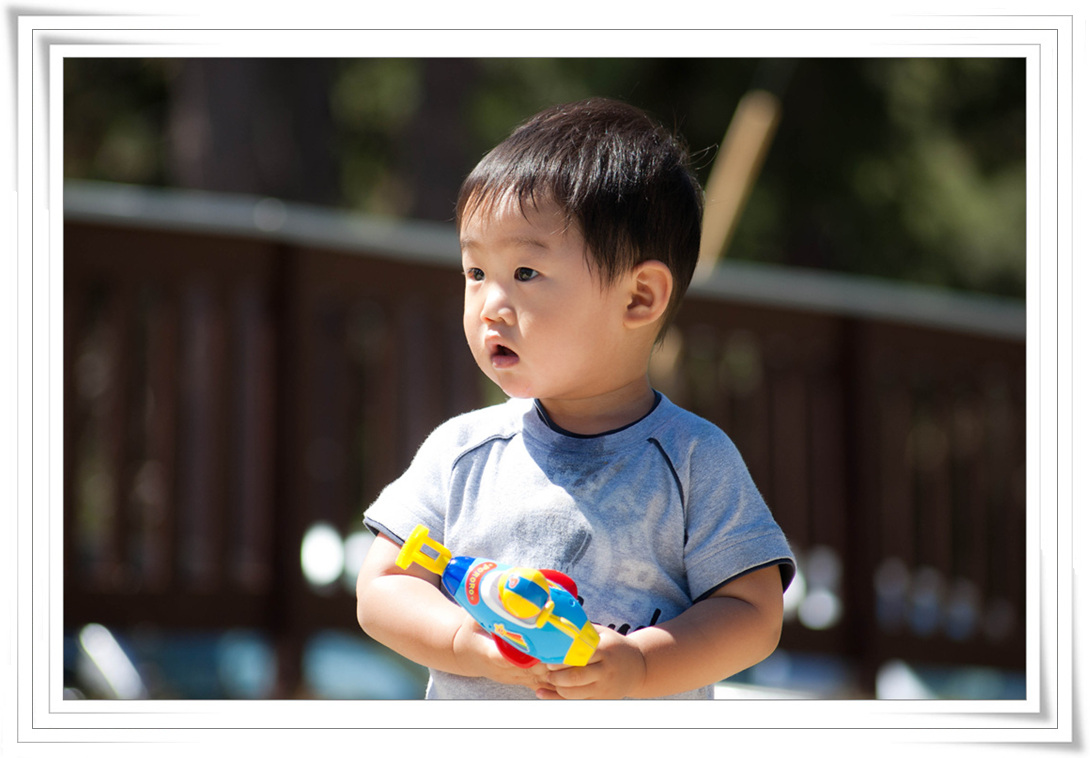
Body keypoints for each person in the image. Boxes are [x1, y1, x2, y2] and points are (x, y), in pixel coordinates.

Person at [355, 97, 795, 700]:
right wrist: (465, 643)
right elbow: (382, 587)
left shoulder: (693, 459)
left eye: (525, 274)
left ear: (639, 297)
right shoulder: (462, 452)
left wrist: (641, 664)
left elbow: (753, 613)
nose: (490, 306)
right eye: (476, 273)